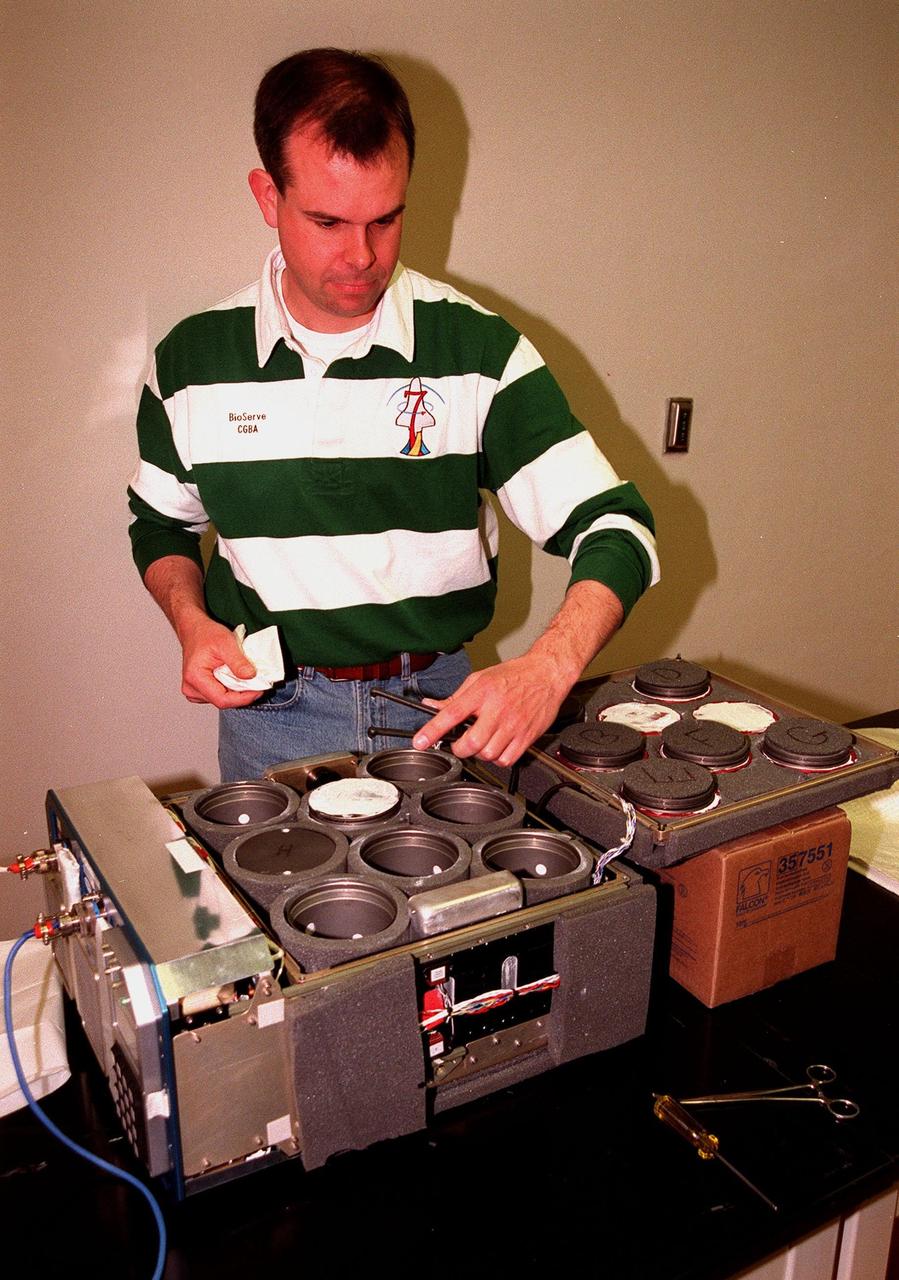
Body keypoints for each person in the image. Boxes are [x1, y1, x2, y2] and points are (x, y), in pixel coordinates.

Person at [128, 48, 659, 781]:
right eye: (328, 221)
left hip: (438, 715)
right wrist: (192, 624)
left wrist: (549, 666)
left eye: (386, 219)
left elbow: (617, 526)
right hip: (269, 720)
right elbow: (161, 525)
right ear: (266, 196)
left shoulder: (477, 350)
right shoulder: (191, 363)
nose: (361, 256)